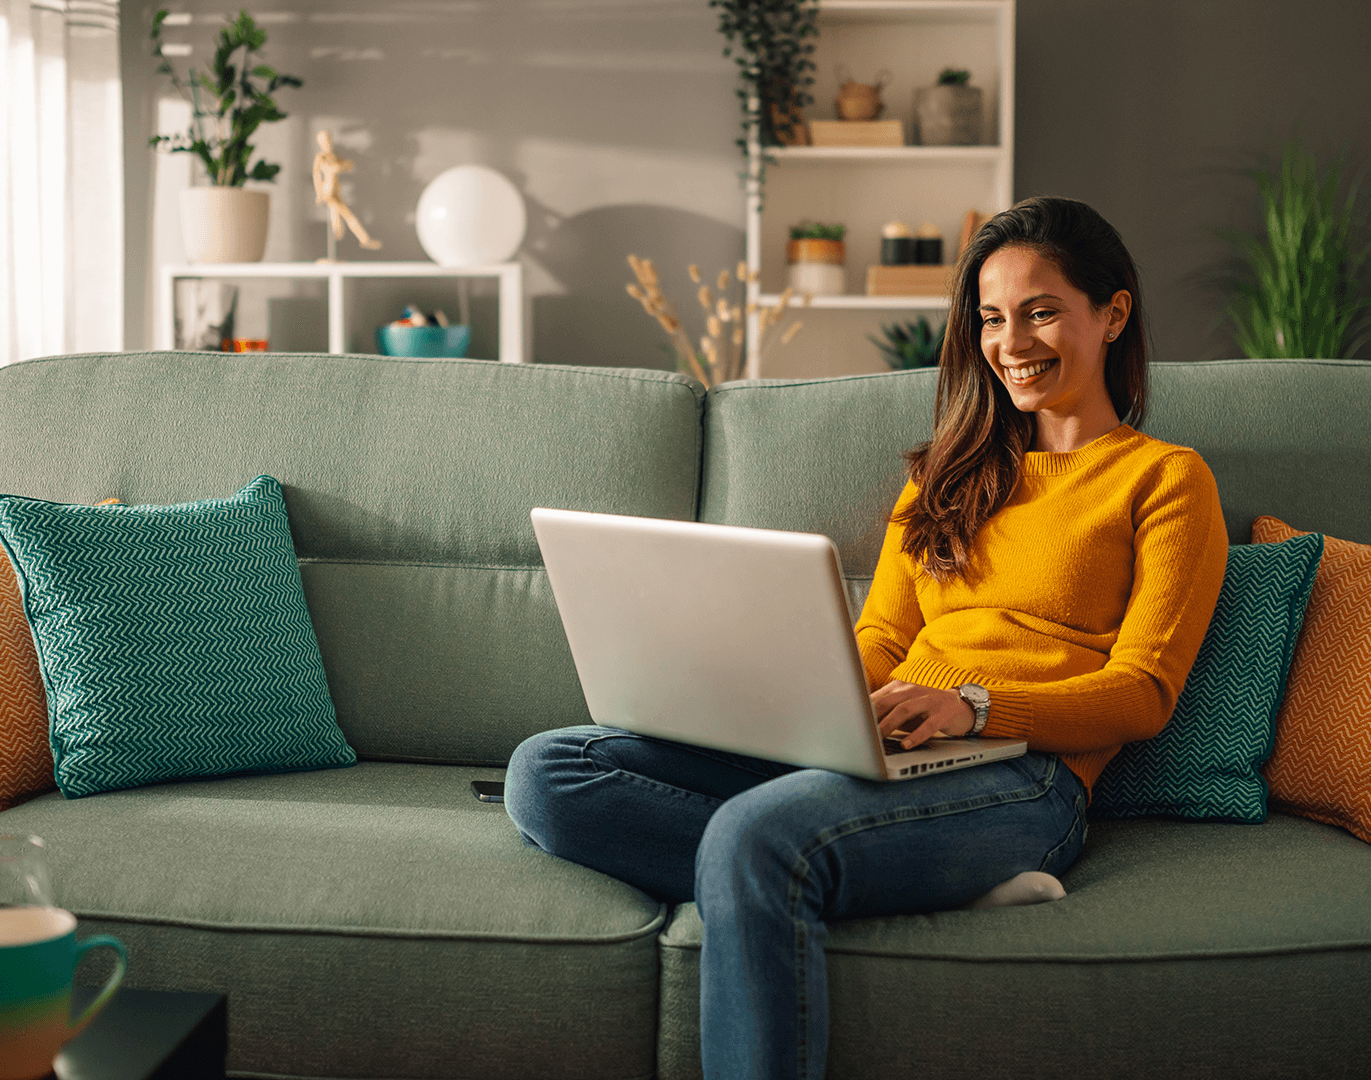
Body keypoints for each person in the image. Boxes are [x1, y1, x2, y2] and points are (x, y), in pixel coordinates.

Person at [504, 196, 1229, 1080]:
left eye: (1042, 312)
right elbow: (882, 637)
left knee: (754, 839)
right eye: (992, 319)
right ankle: (914, 879)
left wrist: (971, 707)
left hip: (1022, 777)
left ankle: (821, 865)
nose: (1013, 343)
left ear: (1112, 313)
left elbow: (1144, 695)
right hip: (869, 748)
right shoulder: (942, 476)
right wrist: (789, 704)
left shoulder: (1164, 479)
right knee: (550, 772)